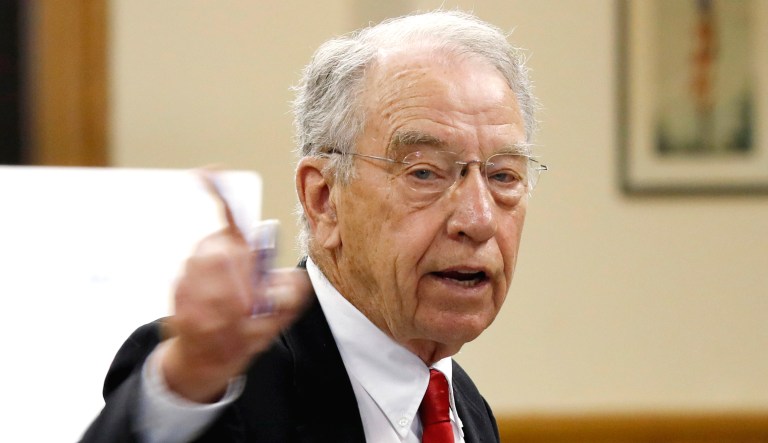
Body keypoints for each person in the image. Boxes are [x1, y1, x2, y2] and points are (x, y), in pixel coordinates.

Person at [80, 8, 545, 443]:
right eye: (424, 172)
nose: (478, 220)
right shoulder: (221, 383)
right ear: (323, 199)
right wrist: (188, 376)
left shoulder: (462, 406)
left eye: (503, 175)